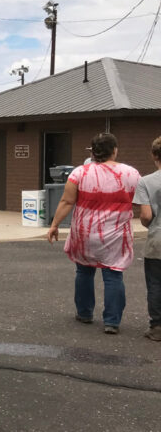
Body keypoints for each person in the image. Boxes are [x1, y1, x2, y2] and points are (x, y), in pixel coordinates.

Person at [47, 132, 141, 335]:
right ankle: (112, 321)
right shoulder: (131, 174)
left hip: (85, 231)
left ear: (93, 151)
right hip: (116, 233)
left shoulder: (79, 173)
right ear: (114, 150)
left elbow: (66, 201)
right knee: (113, 274)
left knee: (84, 271)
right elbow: (142, 201)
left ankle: (84, 313)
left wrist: (54, 225)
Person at [134, 136, 161, 341]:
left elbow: (145, 216)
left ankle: (157, 327)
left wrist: (149, 225)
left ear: (154, 155)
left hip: (157, 240)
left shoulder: (146, 182)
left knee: (155, 284)